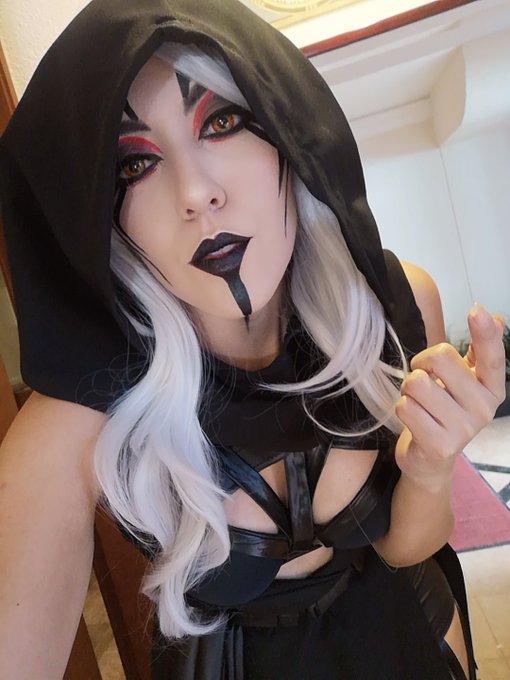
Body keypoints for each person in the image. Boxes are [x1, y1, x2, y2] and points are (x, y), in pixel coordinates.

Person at [0, 0, 505, 678]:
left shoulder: (397, 301)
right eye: (134, 165)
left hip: (413, 639)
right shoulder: (87, 413)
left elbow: (409, 547)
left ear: (288, 130)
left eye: (222, 121)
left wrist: (432, 468)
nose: (195, 192)